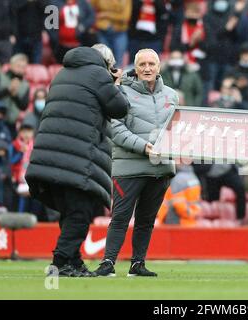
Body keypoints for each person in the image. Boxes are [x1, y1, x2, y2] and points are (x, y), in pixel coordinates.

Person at [25, 44, 129, 277]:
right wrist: (117, 85)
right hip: (76, 158)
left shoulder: (64, 72)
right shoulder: (98, 74)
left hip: (51, 157)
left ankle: (74, 262)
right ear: (107, 64)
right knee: (81, 213)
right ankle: (60, 263)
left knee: (71, 212)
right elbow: (119, 107)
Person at [94, 48, 179, 278]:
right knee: (120, 217)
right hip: (128, 167)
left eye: (152, 64)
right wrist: (144, 146)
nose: (147, 68)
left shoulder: (172, 95)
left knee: (146, 220)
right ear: (135, 67)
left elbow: (178, 129)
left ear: (159, 67)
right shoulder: (120, 92)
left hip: (161, 168)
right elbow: (116, 130)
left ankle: (137, 264)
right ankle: (108, 262)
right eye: (142, 64)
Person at [0, 53, 30, 138]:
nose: (20, 69)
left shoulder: (26, 85)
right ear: (11, 65)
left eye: (23, 67)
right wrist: (8, 90)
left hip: (11, 125)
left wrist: (15, 95)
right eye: (18, 66)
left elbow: (24, 106)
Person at [90, 0, 132, 68]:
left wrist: (105, 14)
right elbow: (90, 9)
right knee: (104, 62)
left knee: (118, 64)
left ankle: (117, 78)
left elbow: (125, 17)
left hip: (120, 32)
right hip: (102, 31)